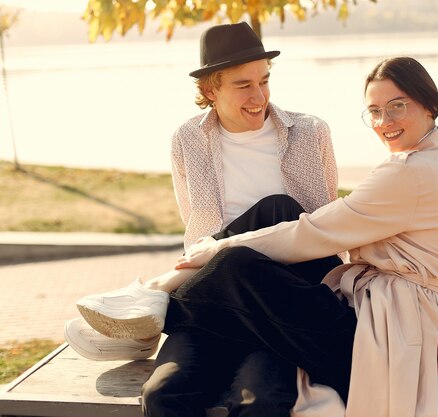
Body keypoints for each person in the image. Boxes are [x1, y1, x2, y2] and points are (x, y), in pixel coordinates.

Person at [73, 57, 438, 417]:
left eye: (398, 106)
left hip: (383, 339)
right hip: (373, 315)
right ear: (211, 91)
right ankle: (154, 299)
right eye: (376, 111)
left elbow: (313, 232)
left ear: (430, 105)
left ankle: (153, 302)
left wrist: (217, 249)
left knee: (243, 257)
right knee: (271, 213)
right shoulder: (423, 161)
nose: (384, 121)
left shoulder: (407, 173)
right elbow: (317, 225)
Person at [64, 21, 342, 417]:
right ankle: (157, 303)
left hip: (283, 297)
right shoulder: (187, 140)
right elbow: (195, 225)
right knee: (163, 396)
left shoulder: (310, 132)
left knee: (261, 398)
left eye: (264, 81)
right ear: (211, 90)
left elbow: (325, 225)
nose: (259, 96)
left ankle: (154, 294)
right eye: (243, 85)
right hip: (214, 299)